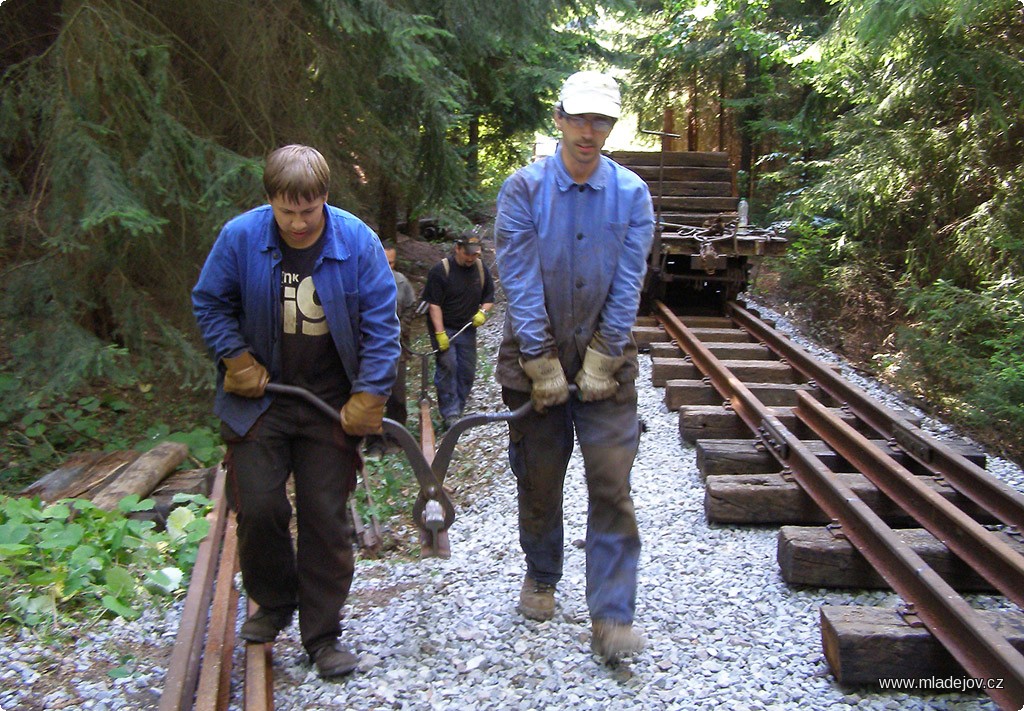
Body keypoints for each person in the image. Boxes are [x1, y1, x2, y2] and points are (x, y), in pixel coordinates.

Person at [192, 144, 400, 679]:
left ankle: (323, 635)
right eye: (287, 212)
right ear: (270, 202)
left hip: (330, 406)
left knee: (326, 520)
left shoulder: (357, 243)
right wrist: (235, 357)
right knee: (259, 507)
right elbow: (209, 301)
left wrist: (371, 394)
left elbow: (382, 325)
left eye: (309, 211)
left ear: (324, 199)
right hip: (262, 403)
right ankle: (275, 601)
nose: (299, 222)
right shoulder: (241, 238)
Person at [493, 70, 655, 662]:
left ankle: (612, 615)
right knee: (539, 477)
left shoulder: (633, 195)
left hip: (606, 363)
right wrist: (540, 360)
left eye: (602, 121)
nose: (590, 132)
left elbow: (628, 281)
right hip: (533, 357)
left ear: (610, 125)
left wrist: (604, 356)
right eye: (581, 118)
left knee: (611, 483)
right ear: (559, 118)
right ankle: (541, 571)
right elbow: (519, 278)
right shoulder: (523, 191)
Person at [422, 230, 495, 430]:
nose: (472, 258)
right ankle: (450, 414)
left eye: (476, 254)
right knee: (448, 366)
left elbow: (489, 298)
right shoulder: (441, 270)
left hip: (467, 329)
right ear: (457, 249)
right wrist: (439, 333)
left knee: (466, 371)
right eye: (468, 253)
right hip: (444, 326)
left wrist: (483, 312)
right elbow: (433, 304)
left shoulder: (481, 270)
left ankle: (459, 407)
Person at [364, 243, 417, 459]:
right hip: (370, 350)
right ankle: (374, 444)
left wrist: (402, 329)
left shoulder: (402, 283)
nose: (388, 267)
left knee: (397, 397)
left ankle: (395, 439)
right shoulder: (365, 281)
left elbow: (411, 307)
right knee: (371, 396)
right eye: (384, 262)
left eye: (392, 263)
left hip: (397, 349)